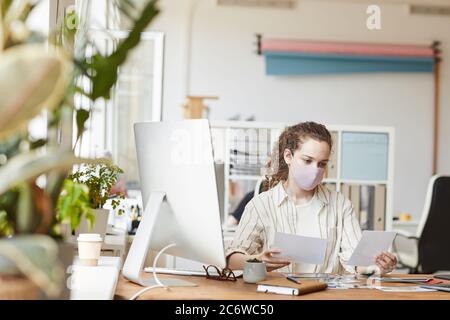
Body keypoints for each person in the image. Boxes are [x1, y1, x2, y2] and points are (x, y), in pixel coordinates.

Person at [226, 122, 397, 274]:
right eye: (307, 160)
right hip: (279, 294)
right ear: (288, 157)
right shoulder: (261, 205)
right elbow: (232, 259)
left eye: (322, 163)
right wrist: (258, 260)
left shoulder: (340, 204)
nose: (315, 170)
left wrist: (376, 266)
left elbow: (356, 262)